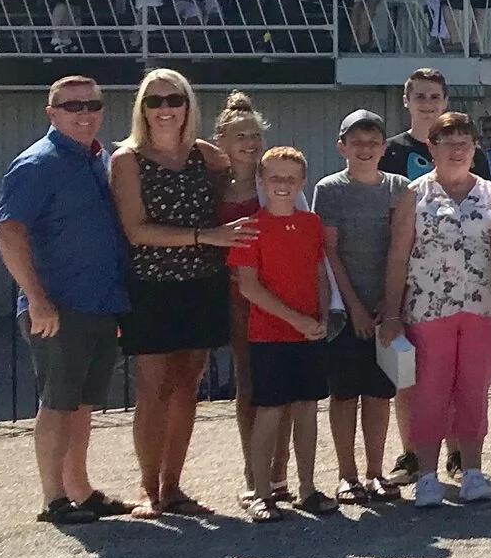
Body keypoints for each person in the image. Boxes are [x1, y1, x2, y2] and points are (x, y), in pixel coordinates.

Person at [108, 67, 252, 518]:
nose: (165, 108)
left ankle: (173, 487)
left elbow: (244, 173)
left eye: (174, 99)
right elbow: (136, 230)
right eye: (155, 101)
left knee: (188, 386)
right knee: (154, 388)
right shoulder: (127, 160)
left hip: (201, 285)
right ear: (142, 109)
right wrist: (205, 236)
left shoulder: (206, 157)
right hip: (151, 287)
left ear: (187, 105)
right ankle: (149, 490)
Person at [0, 77, 134, 524]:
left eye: (92, 103)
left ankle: (80, 490)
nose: (84, 112)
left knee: (82, 404)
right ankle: (54, 499)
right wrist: (37, 300)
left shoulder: (100, 160)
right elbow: (8, 233)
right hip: (57, 308)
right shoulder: (37, 164)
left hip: (98, 304)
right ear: (51, 112)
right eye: (72, 105)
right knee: (56, 403)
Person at [378, 112, 491, 508]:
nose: (457, 150)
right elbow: (398, 257)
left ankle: (472, 471)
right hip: (428, 308)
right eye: (447, 143)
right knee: (429, 391)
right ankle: (428, 474)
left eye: (465, 143)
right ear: (431, 148)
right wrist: (393, 312)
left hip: (484, 307)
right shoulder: (413, 195)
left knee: (474, 390)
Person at [227, 147, 336, 520]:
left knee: (307, 411)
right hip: (269, 336)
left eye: (291, 178)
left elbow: (319, 273)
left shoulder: (311, 224)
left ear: (302, 182)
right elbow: (249, 287)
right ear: (261, 181)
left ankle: (307, 488)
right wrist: (297, 320)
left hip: (308, 335)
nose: (283, 185)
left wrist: (321, 316)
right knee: (269, 414)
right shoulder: (251, 227)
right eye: (275, 178)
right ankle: (261, 492)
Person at [317, 110, 407, 503]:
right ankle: (346, 474)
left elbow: (403, 250)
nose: (366, 149)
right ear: (343, 147)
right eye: (357, 143)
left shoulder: (400, 188)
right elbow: (329, 251)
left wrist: (389, 306)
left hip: (387, 306)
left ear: (384, 147)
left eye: (373, 143)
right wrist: (353, 306)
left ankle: (375, 471)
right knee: (343, 394)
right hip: (343, 308)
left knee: (378, 393)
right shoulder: (330, 189)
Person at [213, 94, 288, 503]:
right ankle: (253, 470)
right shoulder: (211, 186)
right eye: (240, 135)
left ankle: (280, 473)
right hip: (231, 293)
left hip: (277, 292)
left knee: (281, 383)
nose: (249, 142)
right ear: (222, 140)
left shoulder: (275, 180)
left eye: (255, 135)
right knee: (249, 383)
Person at [378, 67, 450, 483]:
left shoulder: (464, 145)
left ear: (445, 101)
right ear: (407, 100)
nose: (427, 103)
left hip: (457, 277)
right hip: (404, 273)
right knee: (406, 370)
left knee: (453, 371)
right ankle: (409, 453)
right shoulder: (387, 151)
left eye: (434, 96)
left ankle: (458, 451)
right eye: (419, 96)